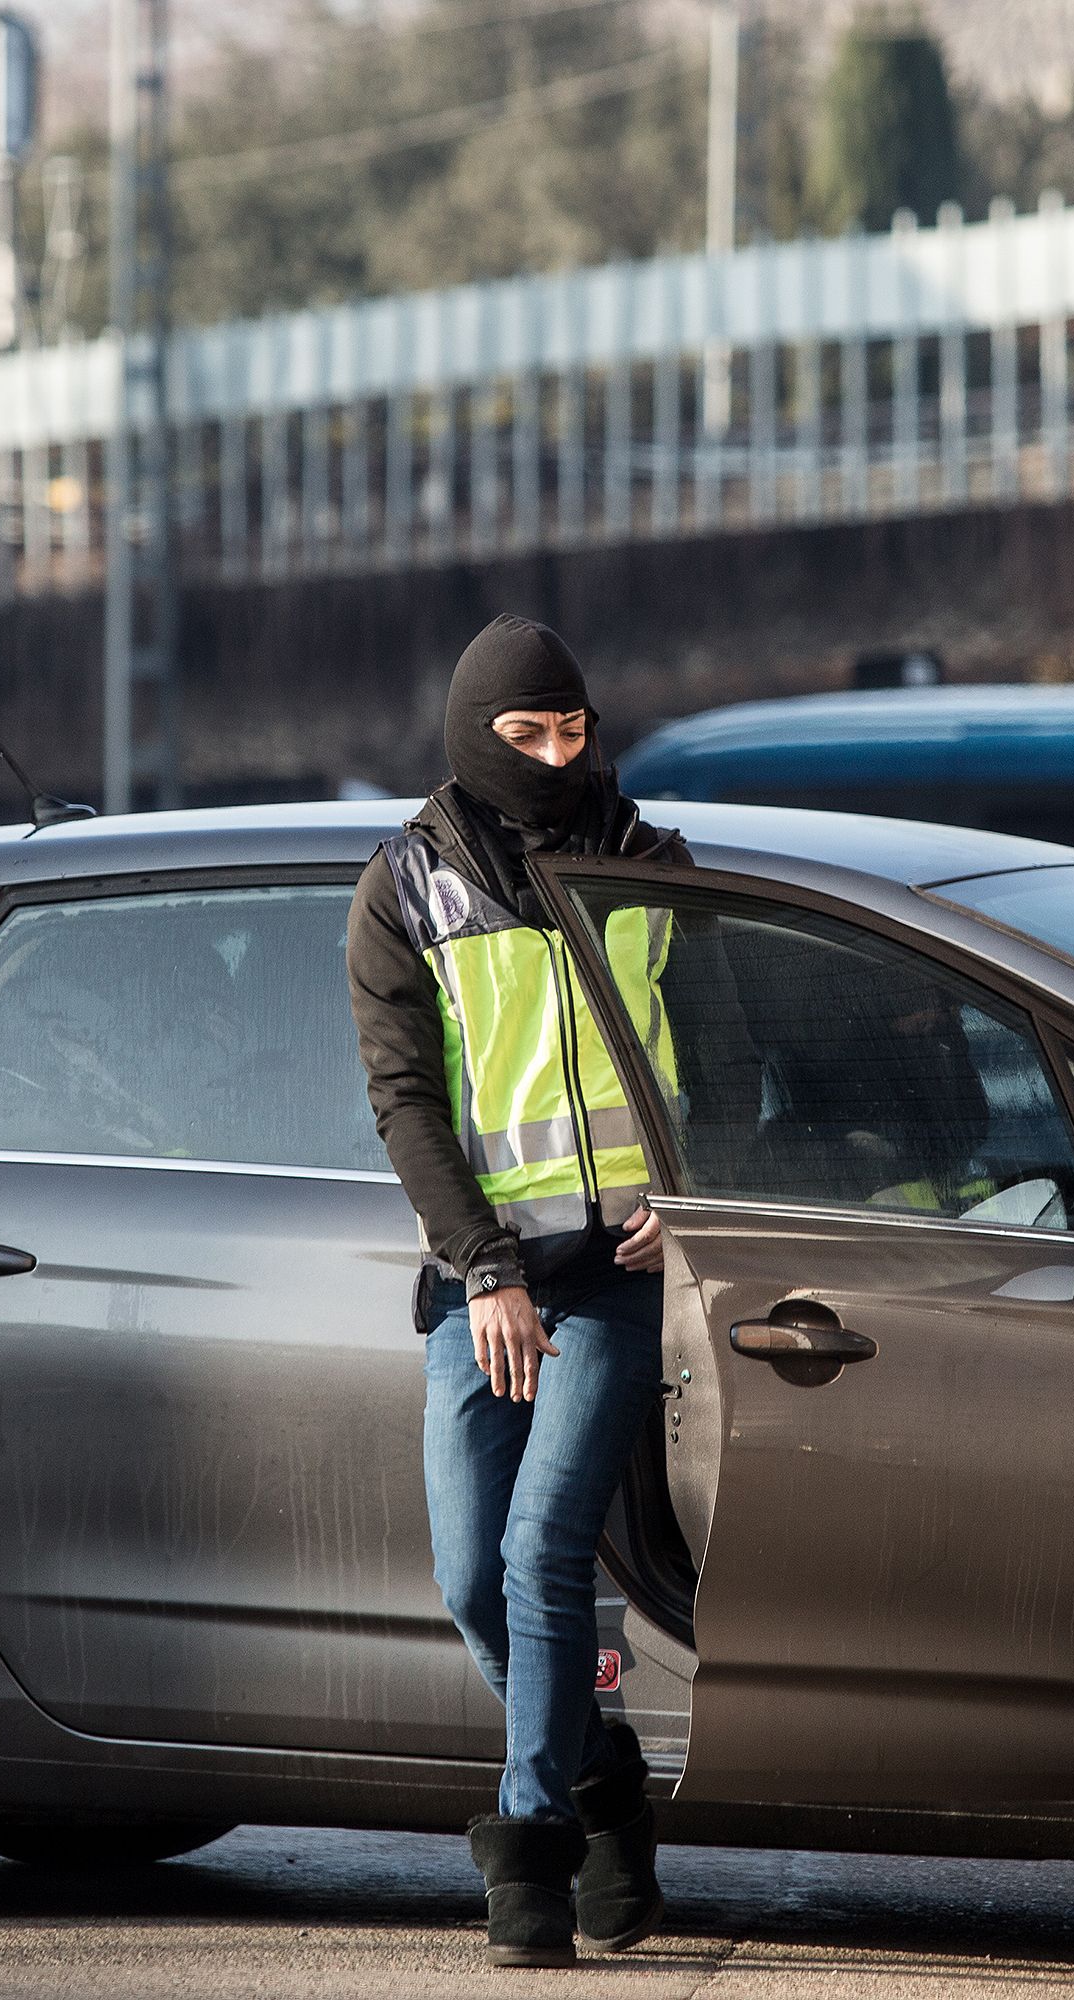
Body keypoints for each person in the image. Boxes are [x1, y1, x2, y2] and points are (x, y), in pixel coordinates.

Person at [345, 615, 677, 1968]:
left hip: (614, 1277)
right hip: (482, 1279)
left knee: (544, 1550)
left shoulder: (649, 863)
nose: (556, 756)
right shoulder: (405, 888)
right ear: (472, 735)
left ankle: (530, 1854)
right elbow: (407, 1102)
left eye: (573, 731)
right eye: (527, 736)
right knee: (469, 1577)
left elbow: (715, 1046)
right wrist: (484, 1270)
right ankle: (607, 1777)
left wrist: (693, 1187)